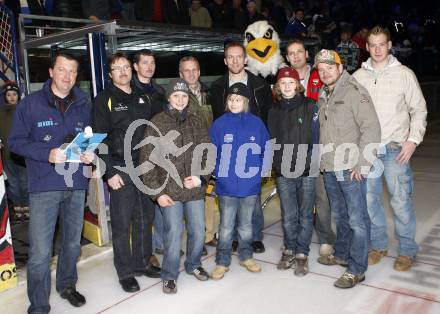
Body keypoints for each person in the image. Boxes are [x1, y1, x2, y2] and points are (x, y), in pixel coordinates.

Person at [8, 53, 93, 314]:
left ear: (77, 75)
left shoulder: (83, 103)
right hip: (44, 186)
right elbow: (15, 143)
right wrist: (47, 153)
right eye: (62, 70)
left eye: (72, 71)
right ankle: (39, 304)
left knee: (72, 244)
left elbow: (86, 137)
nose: (67, 76)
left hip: (76, 183)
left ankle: (67, 284)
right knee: (41, 252)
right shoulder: (30, 104)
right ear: (50, 72)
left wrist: (89, 153)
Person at [353, 26, 427, 272]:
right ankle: (378, 245)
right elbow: (352, 115)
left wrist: (412, 140)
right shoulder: (358, 77)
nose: (377, 49)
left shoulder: (404, 74)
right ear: (366, 47)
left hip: (396, 147)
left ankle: (406, 250)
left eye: (381, 44)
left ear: (389, 45)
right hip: (368, 150)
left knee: (400, 201)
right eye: (372, 44)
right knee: (368, 200)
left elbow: (419, 109)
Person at [92, 52, 161, 294]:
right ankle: (125, 272)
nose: (122, 72)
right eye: (117, 68)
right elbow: (98, 140)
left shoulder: (144, 96)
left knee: (145, 219)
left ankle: (142, 263)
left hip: (145, 168)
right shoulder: (104, 100)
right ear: (110, 74)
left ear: (132, 70)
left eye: (125, 67)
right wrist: (108, 171)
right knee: (122, 224)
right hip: (120, 169)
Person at [315, 49, 381, 288]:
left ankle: (357, 268)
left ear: (340, 68)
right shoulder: (324, 94)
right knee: (340, 215)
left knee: (357, 219)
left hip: (350, 168)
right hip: (331, 167)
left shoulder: (354, 91)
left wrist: (362, 164)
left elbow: (371, 129)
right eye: (321, 70)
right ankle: (342, 254)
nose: (325, 73)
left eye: (329, 68)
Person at [140, 78, 212, 294]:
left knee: (198, 230)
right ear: (169, 98)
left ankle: (193, 263)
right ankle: (169, 275)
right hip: (169, 191)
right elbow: (147, 162)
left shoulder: (197, 121)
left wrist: (202, 177)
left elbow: (207, 152)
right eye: (176, 95)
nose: (180, 99)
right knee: (173, 233)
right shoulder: (157, 123)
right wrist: (158, 193)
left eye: (184, 96)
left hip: (193, 189)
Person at [210, 41, 272, 253]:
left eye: (239, 56)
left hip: (252, 148)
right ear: (226, 60)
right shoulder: (218, 87)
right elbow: (217, 120)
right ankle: (234, 236)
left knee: (252, 198)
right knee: (229, 199)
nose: (235, 60)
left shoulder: (260, 85)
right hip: (229, 148)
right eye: (231, 57)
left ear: (245, 59)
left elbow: (267, 116)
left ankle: (254, 236)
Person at [209, 82, 269, 280]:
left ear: (246, 102)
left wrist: (260, 173)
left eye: (238, 99)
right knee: (225, 227)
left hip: (249, 186)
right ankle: (222, 262)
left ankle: (246, 256)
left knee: (245, 225)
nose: (234, 102)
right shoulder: (219, 124)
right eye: (231, 99)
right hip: (226, 186)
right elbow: (211, 153)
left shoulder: (256, 124)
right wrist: (218, 173)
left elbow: (266, 149)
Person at [285, 39, 335, 257]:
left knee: (321, 196)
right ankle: (293, 239)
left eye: (299, 52)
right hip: (294, 151)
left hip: (318, 146)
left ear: (306, 54)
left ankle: (325, 238)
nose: (295, 56)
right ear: (287, 57)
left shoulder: (320, 75)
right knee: (296, 199)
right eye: (291, 53)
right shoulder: (283, 79)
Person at [268, 67, 319, 276]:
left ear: (298, 85)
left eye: (291, 82)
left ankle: (302, 253)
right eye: (283, 83)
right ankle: (289, 249)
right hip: (284, 172)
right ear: (278, 87)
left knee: (305, 215)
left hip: (306, 170)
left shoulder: (310, 106)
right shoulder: (274, 111)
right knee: (289, 215)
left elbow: (316, 138)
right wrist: (277, 166)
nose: (287, 86)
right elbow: (272, 141)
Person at [132, 48, 166, 267]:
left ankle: (161, 243)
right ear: (136, 66)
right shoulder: (129, 91)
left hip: (159, 154)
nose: (149, 66)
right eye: (144, 63)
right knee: (142, 210)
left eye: (151, 62)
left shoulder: (160, 90)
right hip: (136, 156)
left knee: (162, 202)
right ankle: (146, 253)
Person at [179, 56, 215, 254]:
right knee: (192, 198)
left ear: (199, 72)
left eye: (194, 69)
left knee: (208, 195)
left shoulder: (210, 93)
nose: (191, 73)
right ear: (181, 74)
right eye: (187, 70)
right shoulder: (179, 97)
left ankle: (208, 235)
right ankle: (196, 241)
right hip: (190, 156)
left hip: (210, 153)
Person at [0, 82, 28, 220]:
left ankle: (27, 207)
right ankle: (18, 207)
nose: (12, 97)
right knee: (13, 184)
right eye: (8, 95)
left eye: (14, 94)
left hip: (22, 155)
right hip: (7, 156)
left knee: (24, 181)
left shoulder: (24, 111)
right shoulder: (0, 112)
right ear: (5, 96)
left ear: (19, 95)